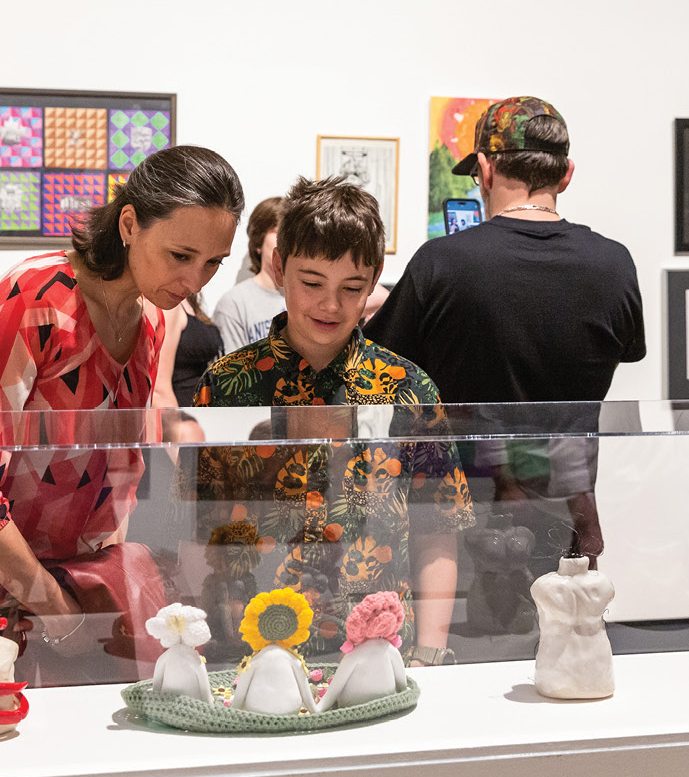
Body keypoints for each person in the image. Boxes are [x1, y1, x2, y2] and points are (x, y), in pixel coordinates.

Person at [0, 145, 244, 692]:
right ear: (129, 223)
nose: (195, 280)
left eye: (213, 262)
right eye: (180, 255)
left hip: (69, 601)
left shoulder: (148, 320)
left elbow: (119, 474)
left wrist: (95, 591)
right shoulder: (32, 299)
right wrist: (60, 610)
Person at [190, 176, 474, 666]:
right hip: (250, 651)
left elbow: (437, 528)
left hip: (380, 654)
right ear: (279, 267)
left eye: (352, 288)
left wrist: (430, 653)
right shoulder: (227, 385)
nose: (330, 305)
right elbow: (199, 530)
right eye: (312, 282)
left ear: (376, 278)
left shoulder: (408, 387)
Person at [366, 96, 645, 577]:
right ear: (566, 174)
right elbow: (620, 354)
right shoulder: (614, 264)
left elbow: (380, 367)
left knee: (454, 647)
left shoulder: (442, 263)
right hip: (566, 510)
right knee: (562, 640)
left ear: (485, 169)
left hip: (449, 521)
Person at [211, 196, 285, 352]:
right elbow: (233, 371)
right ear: (259, 242)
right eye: (279, 233)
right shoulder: (235, 303)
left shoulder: (308, 297)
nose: (287, 243)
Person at [153, 293, 223, 410]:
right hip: (182, 410)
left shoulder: (189, 302)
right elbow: (159, 389)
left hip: (201, 410)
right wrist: (175, 424)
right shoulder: (169, 307)